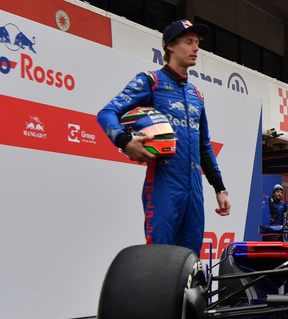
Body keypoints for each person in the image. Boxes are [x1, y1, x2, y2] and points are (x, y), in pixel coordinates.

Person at [97, 19, 229, 254]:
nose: (196, 48)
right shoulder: (151, 81)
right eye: (189, 42)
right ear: (169, 46)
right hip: (164, 185)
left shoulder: (197, 94)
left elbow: (203, 146)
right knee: (158, 258)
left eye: (197, 43)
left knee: (189, 263)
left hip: (194, 191)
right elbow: (106, 113)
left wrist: (219, 189)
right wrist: (125, 141)